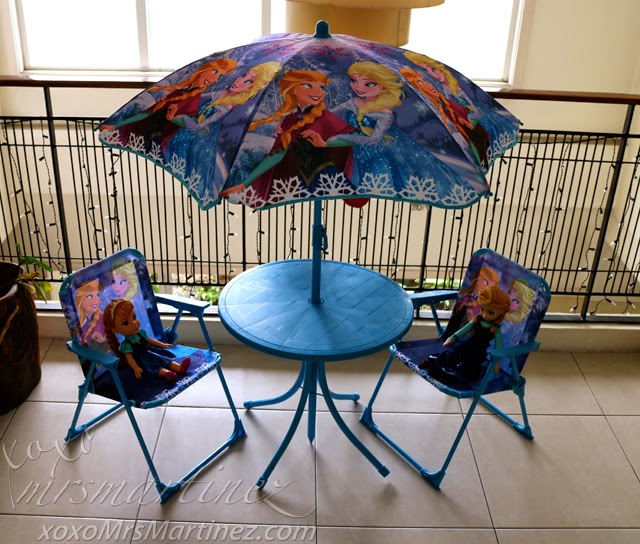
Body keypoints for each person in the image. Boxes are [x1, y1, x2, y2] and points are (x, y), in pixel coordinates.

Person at [221, 69, 357, 204]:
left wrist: (326, 143)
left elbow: (356, 138)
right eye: (308, 85)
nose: (319, 92)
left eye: (321, 87)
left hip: (325, 178)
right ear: (292, 89)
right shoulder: (290, 119)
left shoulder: (324, 116)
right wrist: (244, 184)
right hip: (294, 182)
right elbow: (277, 154)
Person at [100, 57, 238, 151]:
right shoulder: (181, 91)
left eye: (219, 76)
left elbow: (190, 126)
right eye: (214, 71)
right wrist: (117, 125)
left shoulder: (194, 98)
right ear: (205, 68)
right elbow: (149, 112)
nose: (214, 79)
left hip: (159, 139)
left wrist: (172, 118)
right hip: (142, 131)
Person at [403, 51, 490, 167]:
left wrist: (466, 118)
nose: (434, 76)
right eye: (426, 73)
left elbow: (472, 110)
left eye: (433, 70)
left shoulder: (448, 93)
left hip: (468, 124)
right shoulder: (438, 97)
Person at [419, 286, 511, 385]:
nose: (484, 315)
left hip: (479, 352)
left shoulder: (495, 329)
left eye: (491, 313)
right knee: (456, 353)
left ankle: (458, 376)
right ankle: (434, 364)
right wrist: (453, 337)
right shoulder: (477, 321)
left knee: (470, 365)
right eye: (482, 309)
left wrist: (497, 362)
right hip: (468, 344)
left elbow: (498, 346)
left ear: (501, 312)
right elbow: (465, 329)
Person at [103, 299, 190, 382]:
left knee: (164, 359)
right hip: (142, 360)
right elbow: (130, 359)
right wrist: (136, 368)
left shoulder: (141, 333)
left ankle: (179, 368)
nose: (134, 323)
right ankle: (167, 374)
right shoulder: (126, 344)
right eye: (125, 323)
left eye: (134, 317)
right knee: (154, 367)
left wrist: (162, 344)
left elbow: (150, 340)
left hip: (150, 352)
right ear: (115, 330)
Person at [74, 279, 106, 346]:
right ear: (81, 301)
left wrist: (104, 340)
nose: (96, 300)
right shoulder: (77, 320)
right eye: (90, 296)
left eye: (98, 295)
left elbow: (116, 340)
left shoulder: (104, 318)